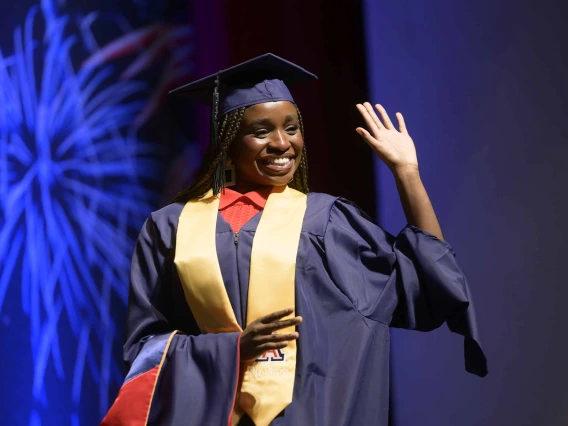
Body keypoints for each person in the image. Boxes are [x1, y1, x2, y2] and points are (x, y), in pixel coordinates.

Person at [100, 53, 487, 426]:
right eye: (260, 130)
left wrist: (407, 173)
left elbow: (426, 285)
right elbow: (143, 352)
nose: (283, 144)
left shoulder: (328, 222)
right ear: (228, 142)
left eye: (292, 127)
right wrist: (231, 351)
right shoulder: (170, 228)